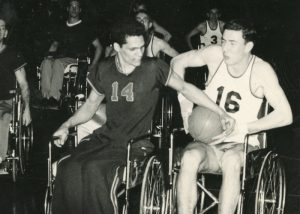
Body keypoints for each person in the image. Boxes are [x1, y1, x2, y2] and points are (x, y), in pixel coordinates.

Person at [51, 17, 234, 214]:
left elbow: (187, 88)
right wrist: (66, 125)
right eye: (133, 49)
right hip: (105, 137)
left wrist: (220, 112)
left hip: (136, 143)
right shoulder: (104, 68)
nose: (140, 53)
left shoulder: (153, 68)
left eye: (142, 47)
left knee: (95, 169)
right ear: (117, 47)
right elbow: (89, 106)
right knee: (68, 167)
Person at [172, 19, 293, 214]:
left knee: (231, 160)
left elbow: (286, 115)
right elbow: (177, 61)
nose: (225, 48)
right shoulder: (215, 55)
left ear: (248, 46)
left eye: (232, 43)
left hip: (242, 144)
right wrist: (185, 109)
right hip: (208, 141)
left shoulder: (261, 70)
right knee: (189, 157)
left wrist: (243, 128)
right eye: (223, 41)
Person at [40, 0, 102, 105]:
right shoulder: (61, 27)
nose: (74, 9)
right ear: (67, 9)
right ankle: (45, 97)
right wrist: (48, 56)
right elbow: (54, 45)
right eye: (72, 6)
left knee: (58, 63)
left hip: (76, 60)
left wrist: (93, 65)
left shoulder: (86, 28)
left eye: (76, 7)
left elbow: (99, 47)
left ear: (80, 10)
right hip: (60, 58)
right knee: (46, 63)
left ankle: (54, 98)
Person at [0, 17, 31, 169]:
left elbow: (24, 85)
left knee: (4, 119)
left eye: (1, 28)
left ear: (5, 33)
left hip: (8, 103)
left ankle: (1, 158)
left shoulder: (12, 54)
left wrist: (27, 109)